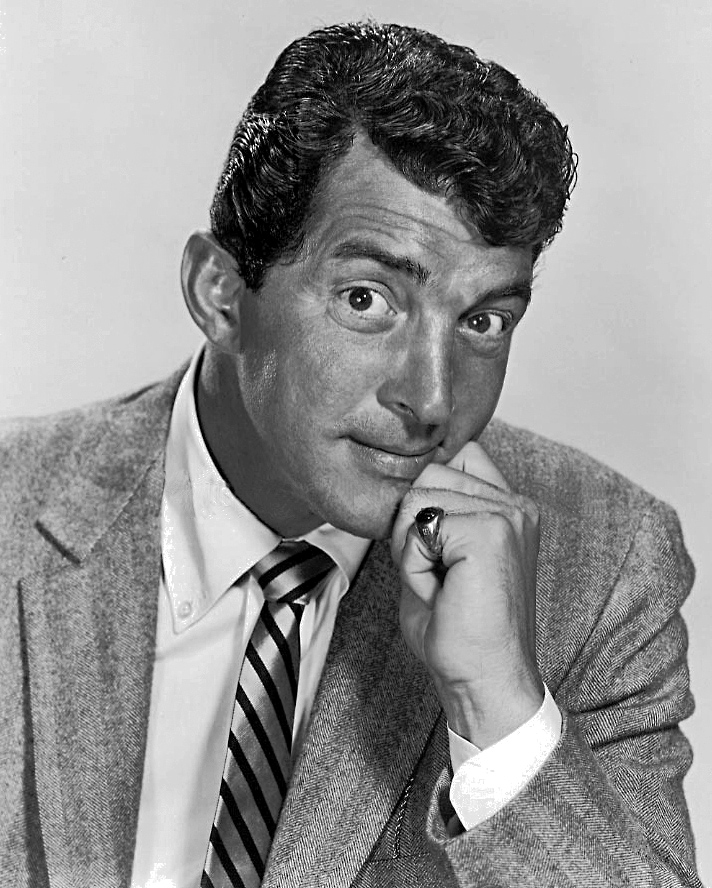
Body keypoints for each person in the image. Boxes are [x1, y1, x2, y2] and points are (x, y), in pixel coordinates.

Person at [0, 20, 701, 888]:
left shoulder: (605, 569)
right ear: (220, 295)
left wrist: (498, 705)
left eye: (484, 320)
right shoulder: (13, 513)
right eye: (368, 299)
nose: (432, 400)